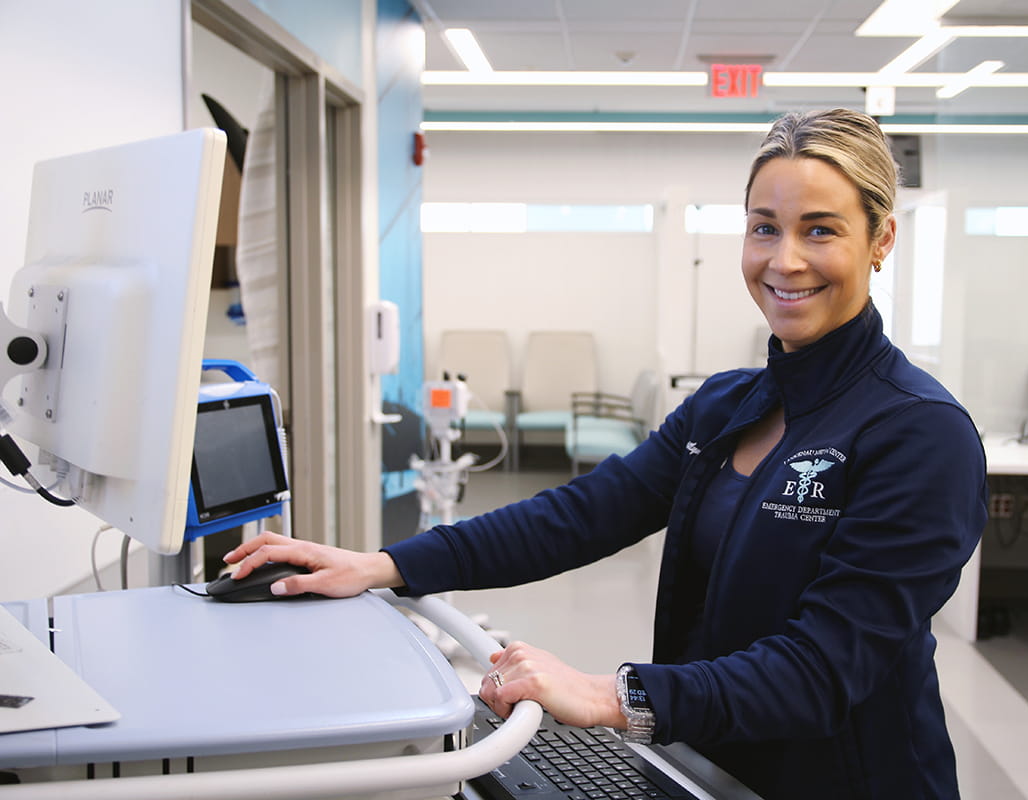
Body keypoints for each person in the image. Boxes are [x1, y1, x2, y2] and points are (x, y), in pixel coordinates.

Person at [224, 107, 988, 799]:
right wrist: (385, 566)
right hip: (708, 767)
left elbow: (824, 668)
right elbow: (582, 514)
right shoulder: (727, 404)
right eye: (764, 227)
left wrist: (611, 695)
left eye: (820, 230)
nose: (784, 260)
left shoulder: (919, 433)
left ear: (881, 239)